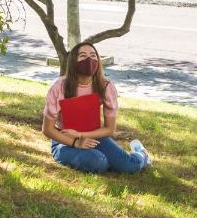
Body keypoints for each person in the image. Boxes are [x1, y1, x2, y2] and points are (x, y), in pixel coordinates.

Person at [42, 42, 151, 173]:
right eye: (82, 56)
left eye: (93, 55)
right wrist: (76, 142)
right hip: (64, 142)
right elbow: (47, 129)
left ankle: (142, 154)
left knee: (130, 166)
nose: (89, 60)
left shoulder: (105, 86)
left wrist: (81, 135)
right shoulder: (59, 87)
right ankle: (106, 160)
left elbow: (110, 129)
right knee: (98, 162)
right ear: (73, 62)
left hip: (95, 136)